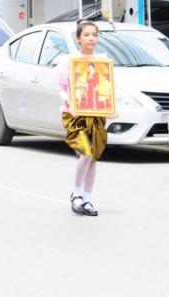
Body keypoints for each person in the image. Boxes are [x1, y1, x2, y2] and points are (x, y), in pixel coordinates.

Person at [56, 20, 114, 217]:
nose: (91, 38)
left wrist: (111, 108)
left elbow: (106, 89)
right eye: (87, 35)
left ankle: (87, 198)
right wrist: (70, 103)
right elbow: (61, 88)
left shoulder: (102, 62)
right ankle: (76, 193)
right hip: (75, 115)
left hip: (95, 114)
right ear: (79, 38)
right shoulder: (70, 62)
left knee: (93, 158)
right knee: (86, 153)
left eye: (94, 35)